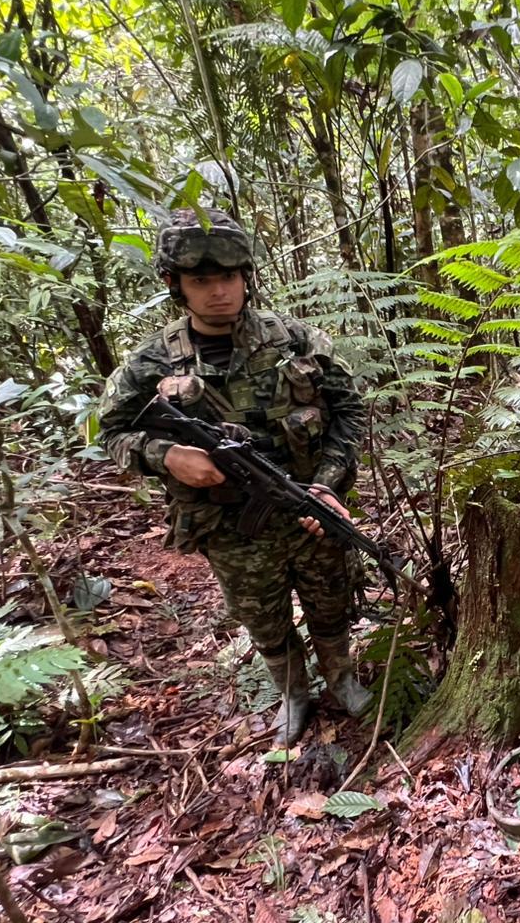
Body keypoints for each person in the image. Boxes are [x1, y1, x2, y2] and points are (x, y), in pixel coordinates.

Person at [98, 208, 372, 745]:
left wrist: (327, 484)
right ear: (176, 285)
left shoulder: (295, 340)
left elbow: (351, 413)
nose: (219, 292)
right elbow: (110, 432)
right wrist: (166, 455)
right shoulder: (152, 362)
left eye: (228, 277)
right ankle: (293, 693)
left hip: (308, 507)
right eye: (202, 281)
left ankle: (340, 680)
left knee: (331, 601)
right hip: (229, 528)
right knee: (262, 616)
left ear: (246, 276)